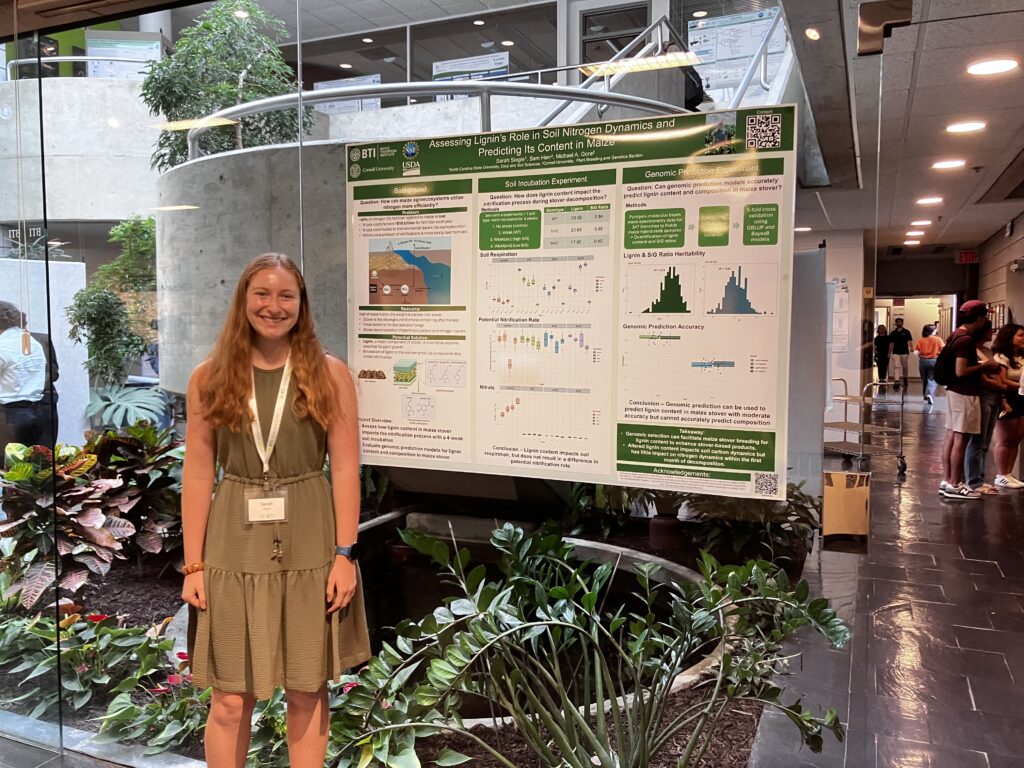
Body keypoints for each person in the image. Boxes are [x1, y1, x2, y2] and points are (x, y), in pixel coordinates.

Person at [181, 253, 370, 767]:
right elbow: (198, 474)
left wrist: (345, 555)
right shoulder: (210, 377)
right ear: (244, 300)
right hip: (231, 546)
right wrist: (193, 564)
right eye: (262, 294)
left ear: (301, 305)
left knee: (307, 691)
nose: (273, 306)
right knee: (228, 698)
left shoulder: (329, 374)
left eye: (286, 295)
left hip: (310, 541)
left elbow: (347, 470)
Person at [940, 301, 1001, 499]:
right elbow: (961, 370)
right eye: (984, 317)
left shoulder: (954, 335)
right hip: (965, 393)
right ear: (978, 318)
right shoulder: (965, 340)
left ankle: (948, 480)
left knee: (951, 436)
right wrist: (985, 366)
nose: (985, 321)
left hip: (954, 391)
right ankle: (956, 484)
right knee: (961, 439)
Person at [0, 301, 54, 451]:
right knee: (32, 466)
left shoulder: (3, 345)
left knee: (10, 468)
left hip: (9, 416)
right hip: (37, 413)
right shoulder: (33, 343)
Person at [963, 320, 1000, 494]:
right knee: (977, 439)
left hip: (994, 396)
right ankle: (973, 480)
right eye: (989, 330)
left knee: (985, 440)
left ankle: (980, 476)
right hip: (983, 395)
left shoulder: (987, 350)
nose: (992, 332)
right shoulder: (974, 351)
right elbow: (983, 377)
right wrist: (1003, 386)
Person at [989, 323, 1024, 488]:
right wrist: (1021, 386)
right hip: (1007, 398)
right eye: (1021, 335)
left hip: (1021, 398)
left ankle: (1008, 473)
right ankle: (1001, 474)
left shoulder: (1021, 356)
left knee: (1016, 438)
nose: (1023, 339)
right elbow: (1002, 380)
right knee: (1005, 439)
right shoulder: (1001, 357)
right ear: (1009, 337)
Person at [913, 324, 943, 404]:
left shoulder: (921, 340)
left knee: (924, 379)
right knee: (932, 379)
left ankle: (925, 396)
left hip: (923, 361)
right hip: (934, 361)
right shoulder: (938, 340)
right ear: (933, 331)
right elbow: (943, 350)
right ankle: (929, 394)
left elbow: (916, 352)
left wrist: (921, 356)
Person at [888, 317, 913, 391]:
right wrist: (889, 352)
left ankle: (905, 378)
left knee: (904, 366)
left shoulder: (906, 332)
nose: (899, 323)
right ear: (896, 323)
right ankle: (896, 380)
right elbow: (891, 343)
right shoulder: (893, 333)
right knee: (896, 366)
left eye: (900, 322)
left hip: (904, 352)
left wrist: (911, 348)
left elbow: (910, 341)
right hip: (896, 352)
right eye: (897, 322)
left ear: (902, 323)